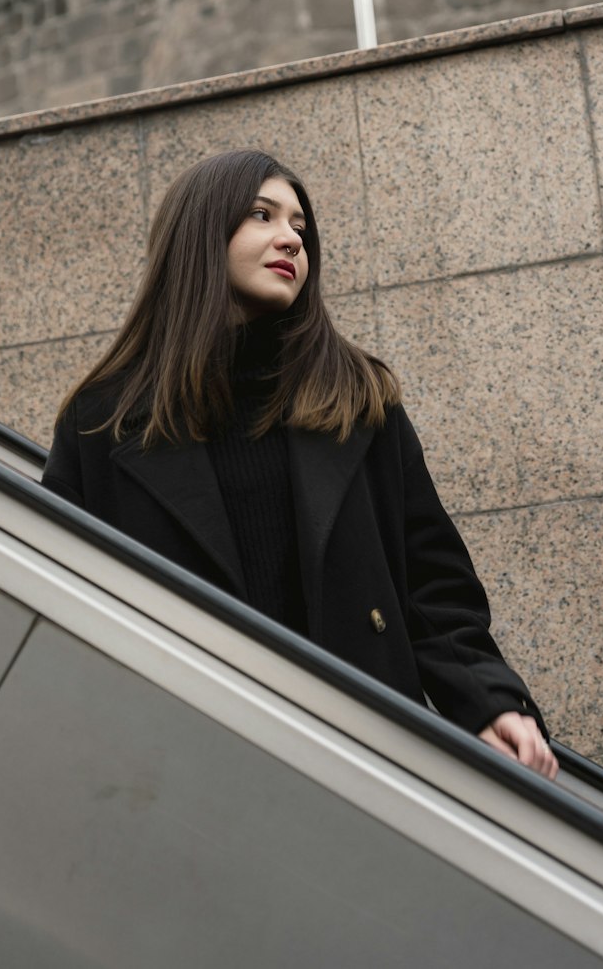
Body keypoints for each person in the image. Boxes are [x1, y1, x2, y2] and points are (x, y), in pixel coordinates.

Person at [43, 148, 557, 778]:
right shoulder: (105, 419)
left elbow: (432, 585)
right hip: (186, 761)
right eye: (262, 215)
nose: (290, 237)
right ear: (201, 234)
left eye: (300, 228)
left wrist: (486, 700)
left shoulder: (355, 398)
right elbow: (64, 606)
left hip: (362, 750)